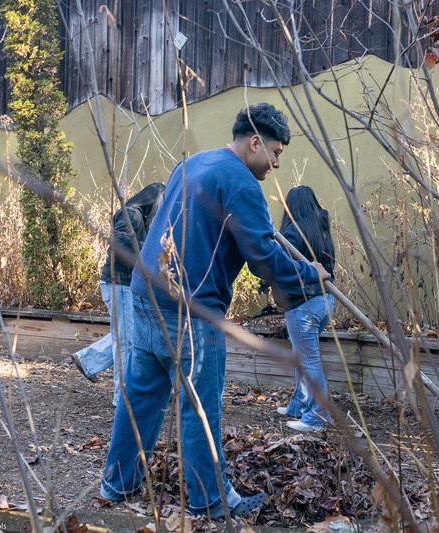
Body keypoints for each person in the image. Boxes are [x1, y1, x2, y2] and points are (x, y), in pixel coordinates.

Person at [99, 103, 331, 517]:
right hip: (191, 309)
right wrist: (311, 273)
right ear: (255, 142)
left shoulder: (192, 164)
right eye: (276, 153)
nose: (277, 164)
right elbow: (264, 261)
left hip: (145, 293)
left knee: (139, 397)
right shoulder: (242, 184)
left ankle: (116, 485)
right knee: (199, 407)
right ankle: (211, 501)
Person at [71, 183, 166, 407]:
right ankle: (122, 397)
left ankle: (86, 361)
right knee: (126, 340)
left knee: (127, 334)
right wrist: (152, 247)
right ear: (154, 198)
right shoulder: (131, 214)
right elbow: (119, 242)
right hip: (118, 283)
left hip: (123, 283)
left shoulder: (139, 218)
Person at [272, 186, 336, 432]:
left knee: (309, 359)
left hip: (302, 304)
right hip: (324, 301)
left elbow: (280, 264)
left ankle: (317, 417)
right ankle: (298, 406)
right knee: (305, 356)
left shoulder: (292, 231)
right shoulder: (321, 228)